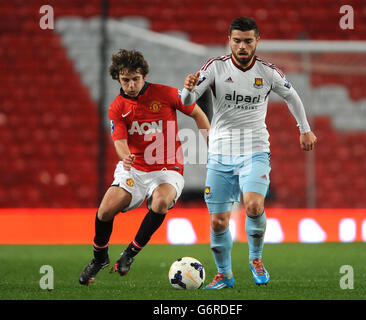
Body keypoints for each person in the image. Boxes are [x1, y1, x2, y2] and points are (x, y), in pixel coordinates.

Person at [181, 17, 317, 289]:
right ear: (229, 40)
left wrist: (305, 129)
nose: (242, 46)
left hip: (255, 150)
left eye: (248, 40)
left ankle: (256, 259)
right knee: (219, 222)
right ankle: (224, 275)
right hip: (220, 153)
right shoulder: (215, 68)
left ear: (257, 41)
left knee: (254, 204)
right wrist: (186, 89)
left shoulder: (268, 72)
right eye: (237, 40)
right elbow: (186, 102)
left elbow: (292, 96)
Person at [79, 49, 210, 285]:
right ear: (118, 79)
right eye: (125, 80)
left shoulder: (167, 94)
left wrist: (211, 142)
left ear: (144, 75)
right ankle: (99, 258)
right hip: (135, 168)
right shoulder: (117, 107)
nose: (131, 85)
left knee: (160, 202)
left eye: (135, 79)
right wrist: (125, 156)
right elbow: (119, 141)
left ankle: (129, 253)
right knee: (105, 210)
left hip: (168, 168)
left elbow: (198, 114)